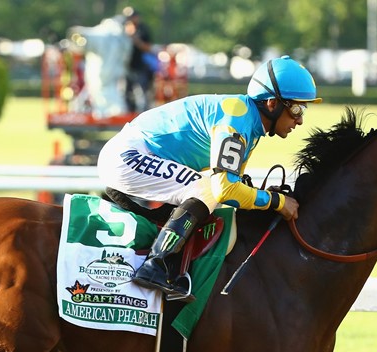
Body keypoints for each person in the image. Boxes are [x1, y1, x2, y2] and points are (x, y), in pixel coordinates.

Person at [97, 55, 321, 302]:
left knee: (209, 188)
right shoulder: (236, 120)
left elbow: (234, 189)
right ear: (271, 104)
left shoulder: (249, 124)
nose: (300, 120)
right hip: (128, 155)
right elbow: (225, 189)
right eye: (297, 109)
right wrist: (277, 202)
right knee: (206, 188)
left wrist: (261, 197)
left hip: (136, 153)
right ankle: (156, 265)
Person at [122, 6, 155, 113]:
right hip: (126, 66)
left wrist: (135, 39)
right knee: (125, 92)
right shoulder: (122, 29)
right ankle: (127, 114)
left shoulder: (143, 29)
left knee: (141, 92)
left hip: (139, 66)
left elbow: (148, 48)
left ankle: (143, 114)